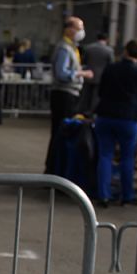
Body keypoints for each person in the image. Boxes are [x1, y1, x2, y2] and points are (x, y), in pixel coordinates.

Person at [93, 39, 137, 208]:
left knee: (105, 155)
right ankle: (127, 195)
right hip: (127, 117)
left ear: (125, 51)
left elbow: (101, 90)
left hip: (105, 115)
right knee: (128, 158)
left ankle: (103, 195)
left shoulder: (111, 68)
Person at [45, 16, 93, 173]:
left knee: (62, 131)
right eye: (80, 28)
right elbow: (61, 73)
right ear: (69, 29)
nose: (82, 32)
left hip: (69, 93)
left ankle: (56, 169)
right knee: (60, 131)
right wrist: (81, 73)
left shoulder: (72, 47)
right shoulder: (64, 49)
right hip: (63, 94)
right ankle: (53, 170)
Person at [78, 33, 114, 114]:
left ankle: (82, 112)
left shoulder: (88, 48)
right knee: (96, 97)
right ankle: (92, 113)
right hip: (101, 77)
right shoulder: (109, 50)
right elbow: (111, 64)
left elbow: (84, 60)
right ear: (107, 39)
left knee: (85, 96)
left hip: (88, 75)